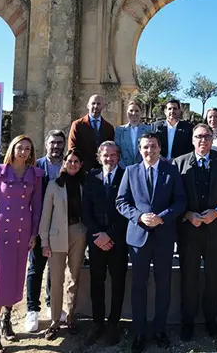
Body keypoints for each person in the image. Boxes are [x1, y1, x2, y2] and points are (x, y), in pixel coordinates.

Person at [116, 133, 186, 353]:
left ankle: (159, 329)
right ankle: (139, 332)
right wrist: (138, 216)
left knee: (163, 285)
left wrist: (162, 216)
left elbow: (181, 200)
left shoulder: (171, 170)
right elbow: (120, 201)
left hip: (164, 237)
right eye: (145, 147)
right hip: (138, 238)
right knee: (139, 286)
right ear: (139, 149)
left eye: (153, 147)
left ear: (159, 148)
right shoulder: (130, 171)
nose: (149, 151)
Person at [173, 124, 217, 341]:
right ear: (192, 140)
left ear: (213, 139)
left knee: (214, 277)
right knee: (189, 277)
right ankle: (188, 321)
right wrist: (187, 214)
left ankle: (211, 319)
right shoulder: (179, 163)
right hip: (189, 231)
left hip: (216, 230)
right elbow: (174, 197)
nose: (203, 140)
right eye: (199, 137)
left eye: (207, 137)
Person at [0, 135, 44, 353]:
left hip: (23, 230)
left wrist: (34, 234)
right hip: (2, 231)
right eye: (20, 148)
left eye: (28, 148)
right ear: (13, 149)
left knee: (17, 276)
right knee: (0, 278)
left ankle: (8, 319)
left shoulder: (34, 175)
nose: (24, 152)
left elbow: (36, 208)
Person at [82, 141, 128, 346]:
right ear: (99, 157)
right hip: (96, 242)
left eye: (112, 155)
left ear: (118, 156)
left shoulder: (128, 176)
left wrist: (110, 235)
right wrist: (98, 235)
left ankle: (113, 324)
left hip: (118, 241)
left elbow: (127, 210)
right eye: (105, 155)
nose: (109, 159)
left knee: (118, 284)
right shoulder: (91, 177)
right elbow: (86, 210)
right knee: (96, 283)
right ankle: (98, 322)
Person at [38, 149, 87, 340]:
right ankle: (55, 321)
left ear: (81, 164)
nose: (73, 164)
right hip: (56, 236)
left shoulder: (85, 184)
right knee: (56, 280)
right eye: (70, 161)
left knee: (73, 278)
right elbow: (45, 216)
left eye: (77, 161)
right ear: (64, 163)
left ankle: (71, 317)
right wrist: (44, 242)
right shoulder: (53, 185)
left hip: (78, 234)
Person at [26, 130, 66, 332]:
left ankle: (53, 306)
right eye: (53, 143)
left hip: (59, 227)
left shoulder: (69, 167)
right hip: (38, 225)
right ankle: (32, 310)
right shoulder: (35, 166)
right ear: (46, 144)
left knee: (55, 268)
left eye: (60, 143)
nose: (56, 146)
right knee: (35, 267)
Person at [68, 94, 115, 172]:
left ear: (103, 106)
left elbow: (111, 149)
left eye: (98, 104)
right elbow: (72, 148)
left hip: (102, 170)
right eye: (93, 103)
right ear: (88, 105)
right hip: (82, 170)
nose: (96, 106)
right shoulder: (77, 125)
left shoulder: (109, 128)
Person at [115, 100, 152, 168]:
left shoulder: (149, 129)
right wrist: (124, 168)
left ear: (141, 112)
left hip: (143, 168)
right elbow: (117, 151)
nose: (134, 113)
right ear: (127, 112)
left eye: (137, 110)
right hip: (124, 168)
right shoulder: (119, 130)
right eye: (131, 110)